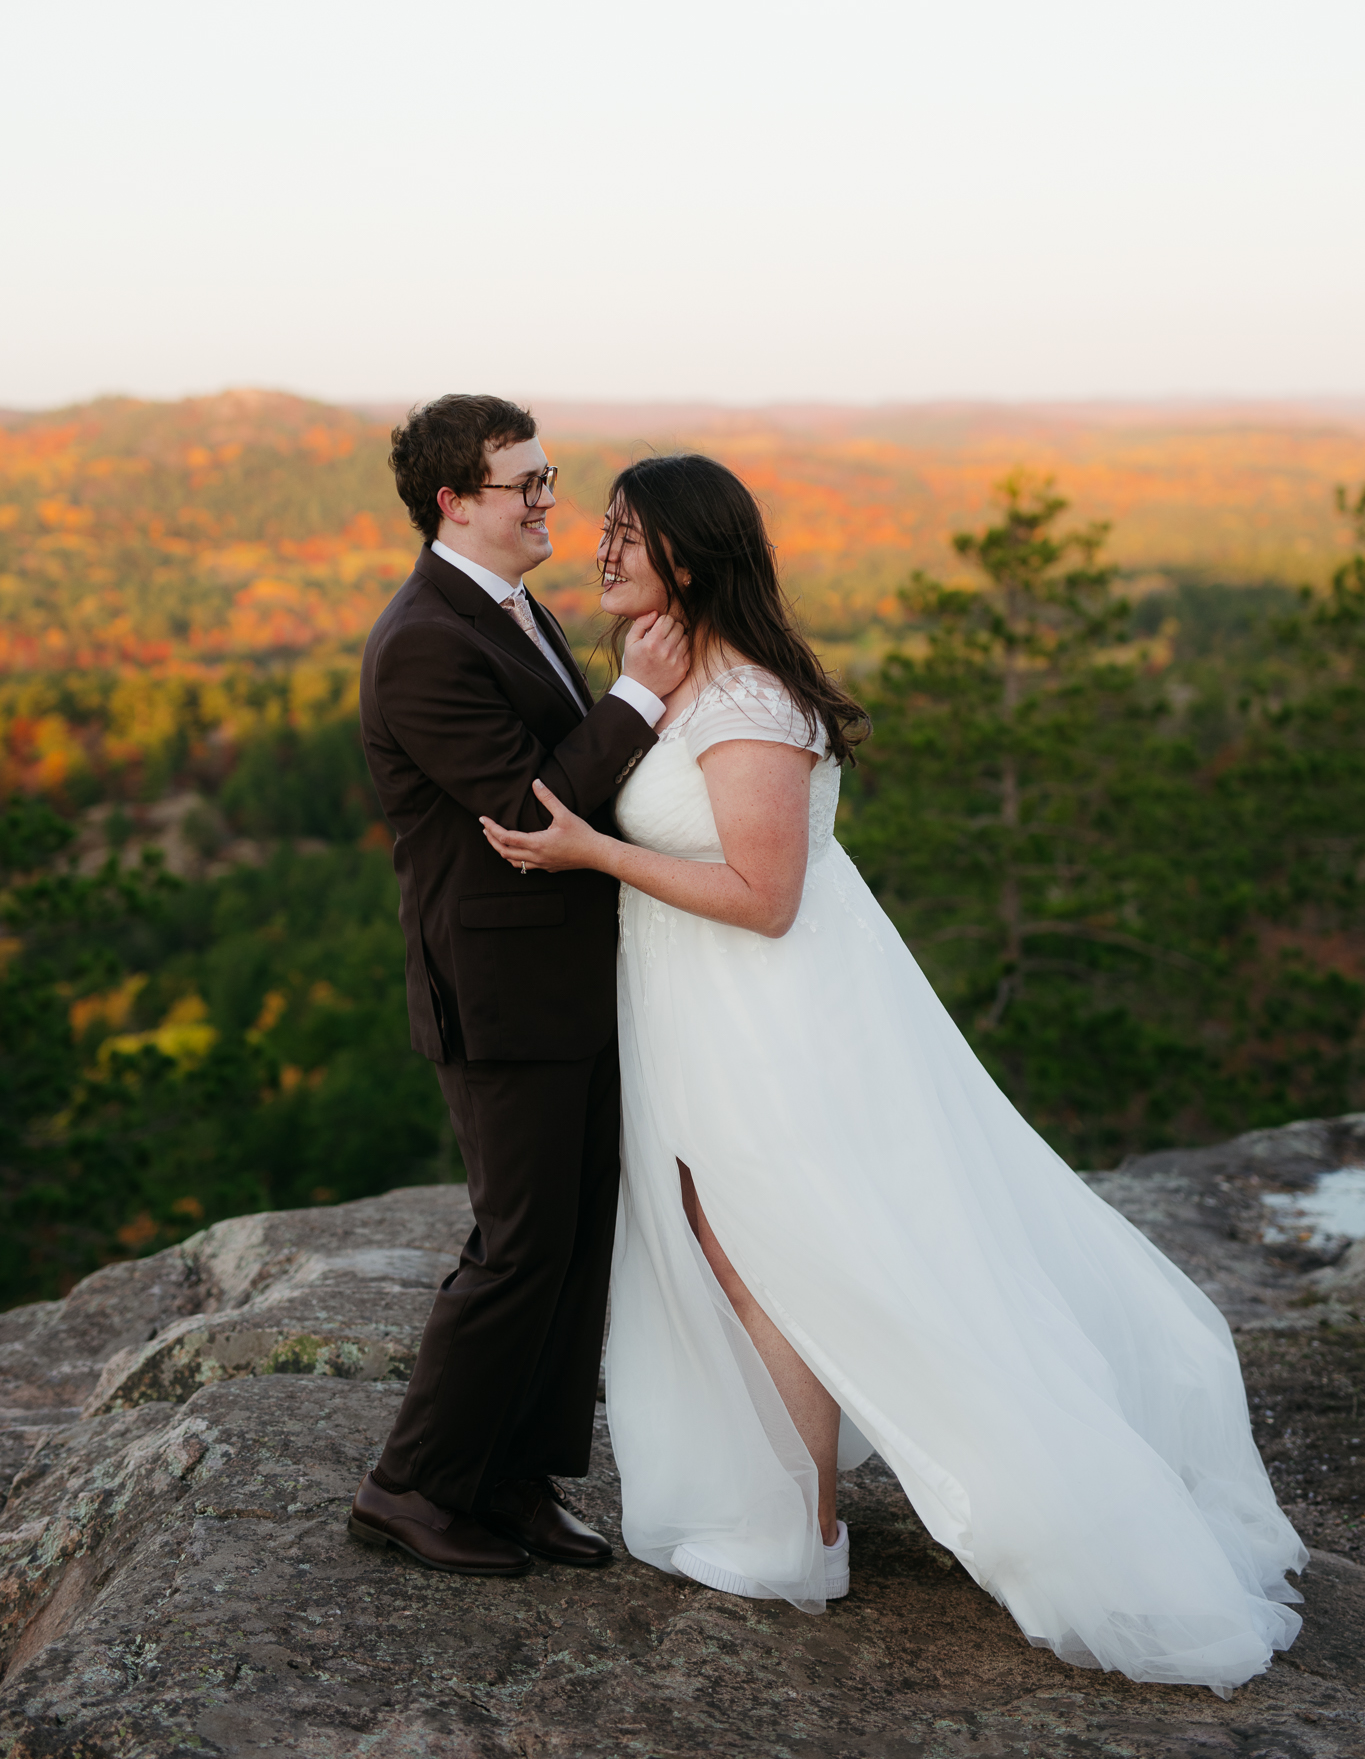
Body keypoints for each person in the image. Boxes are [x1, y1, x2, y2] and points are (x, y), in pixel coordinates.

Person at [479, 451, 1307, 1694]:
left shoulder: (749, 701)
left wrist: (595, 850)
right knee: (738, 1252)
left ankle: (803, 1528)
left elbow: (764, 899)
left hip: (771, 1019)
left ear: (691, 561)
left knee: (787, 1259)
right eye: (604, 529)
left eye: (630, 538)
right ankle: (792, 1512)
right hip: (705, 1014)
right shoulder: (671, 675)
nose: (601, 550)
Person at [346, 396, 688, 1577]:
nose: (551, 503)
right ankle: (409, 1486)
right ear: (453, 502)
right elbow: (524, 808)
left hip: (572, 980)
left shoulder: (507, 603)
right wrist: (637, 700)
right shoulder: (424, 638)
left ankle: (514, 1477)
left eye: (550, 479)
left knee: (575, 1236)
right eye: (525, 485)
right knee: (518, 1243)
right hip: (497, 992)